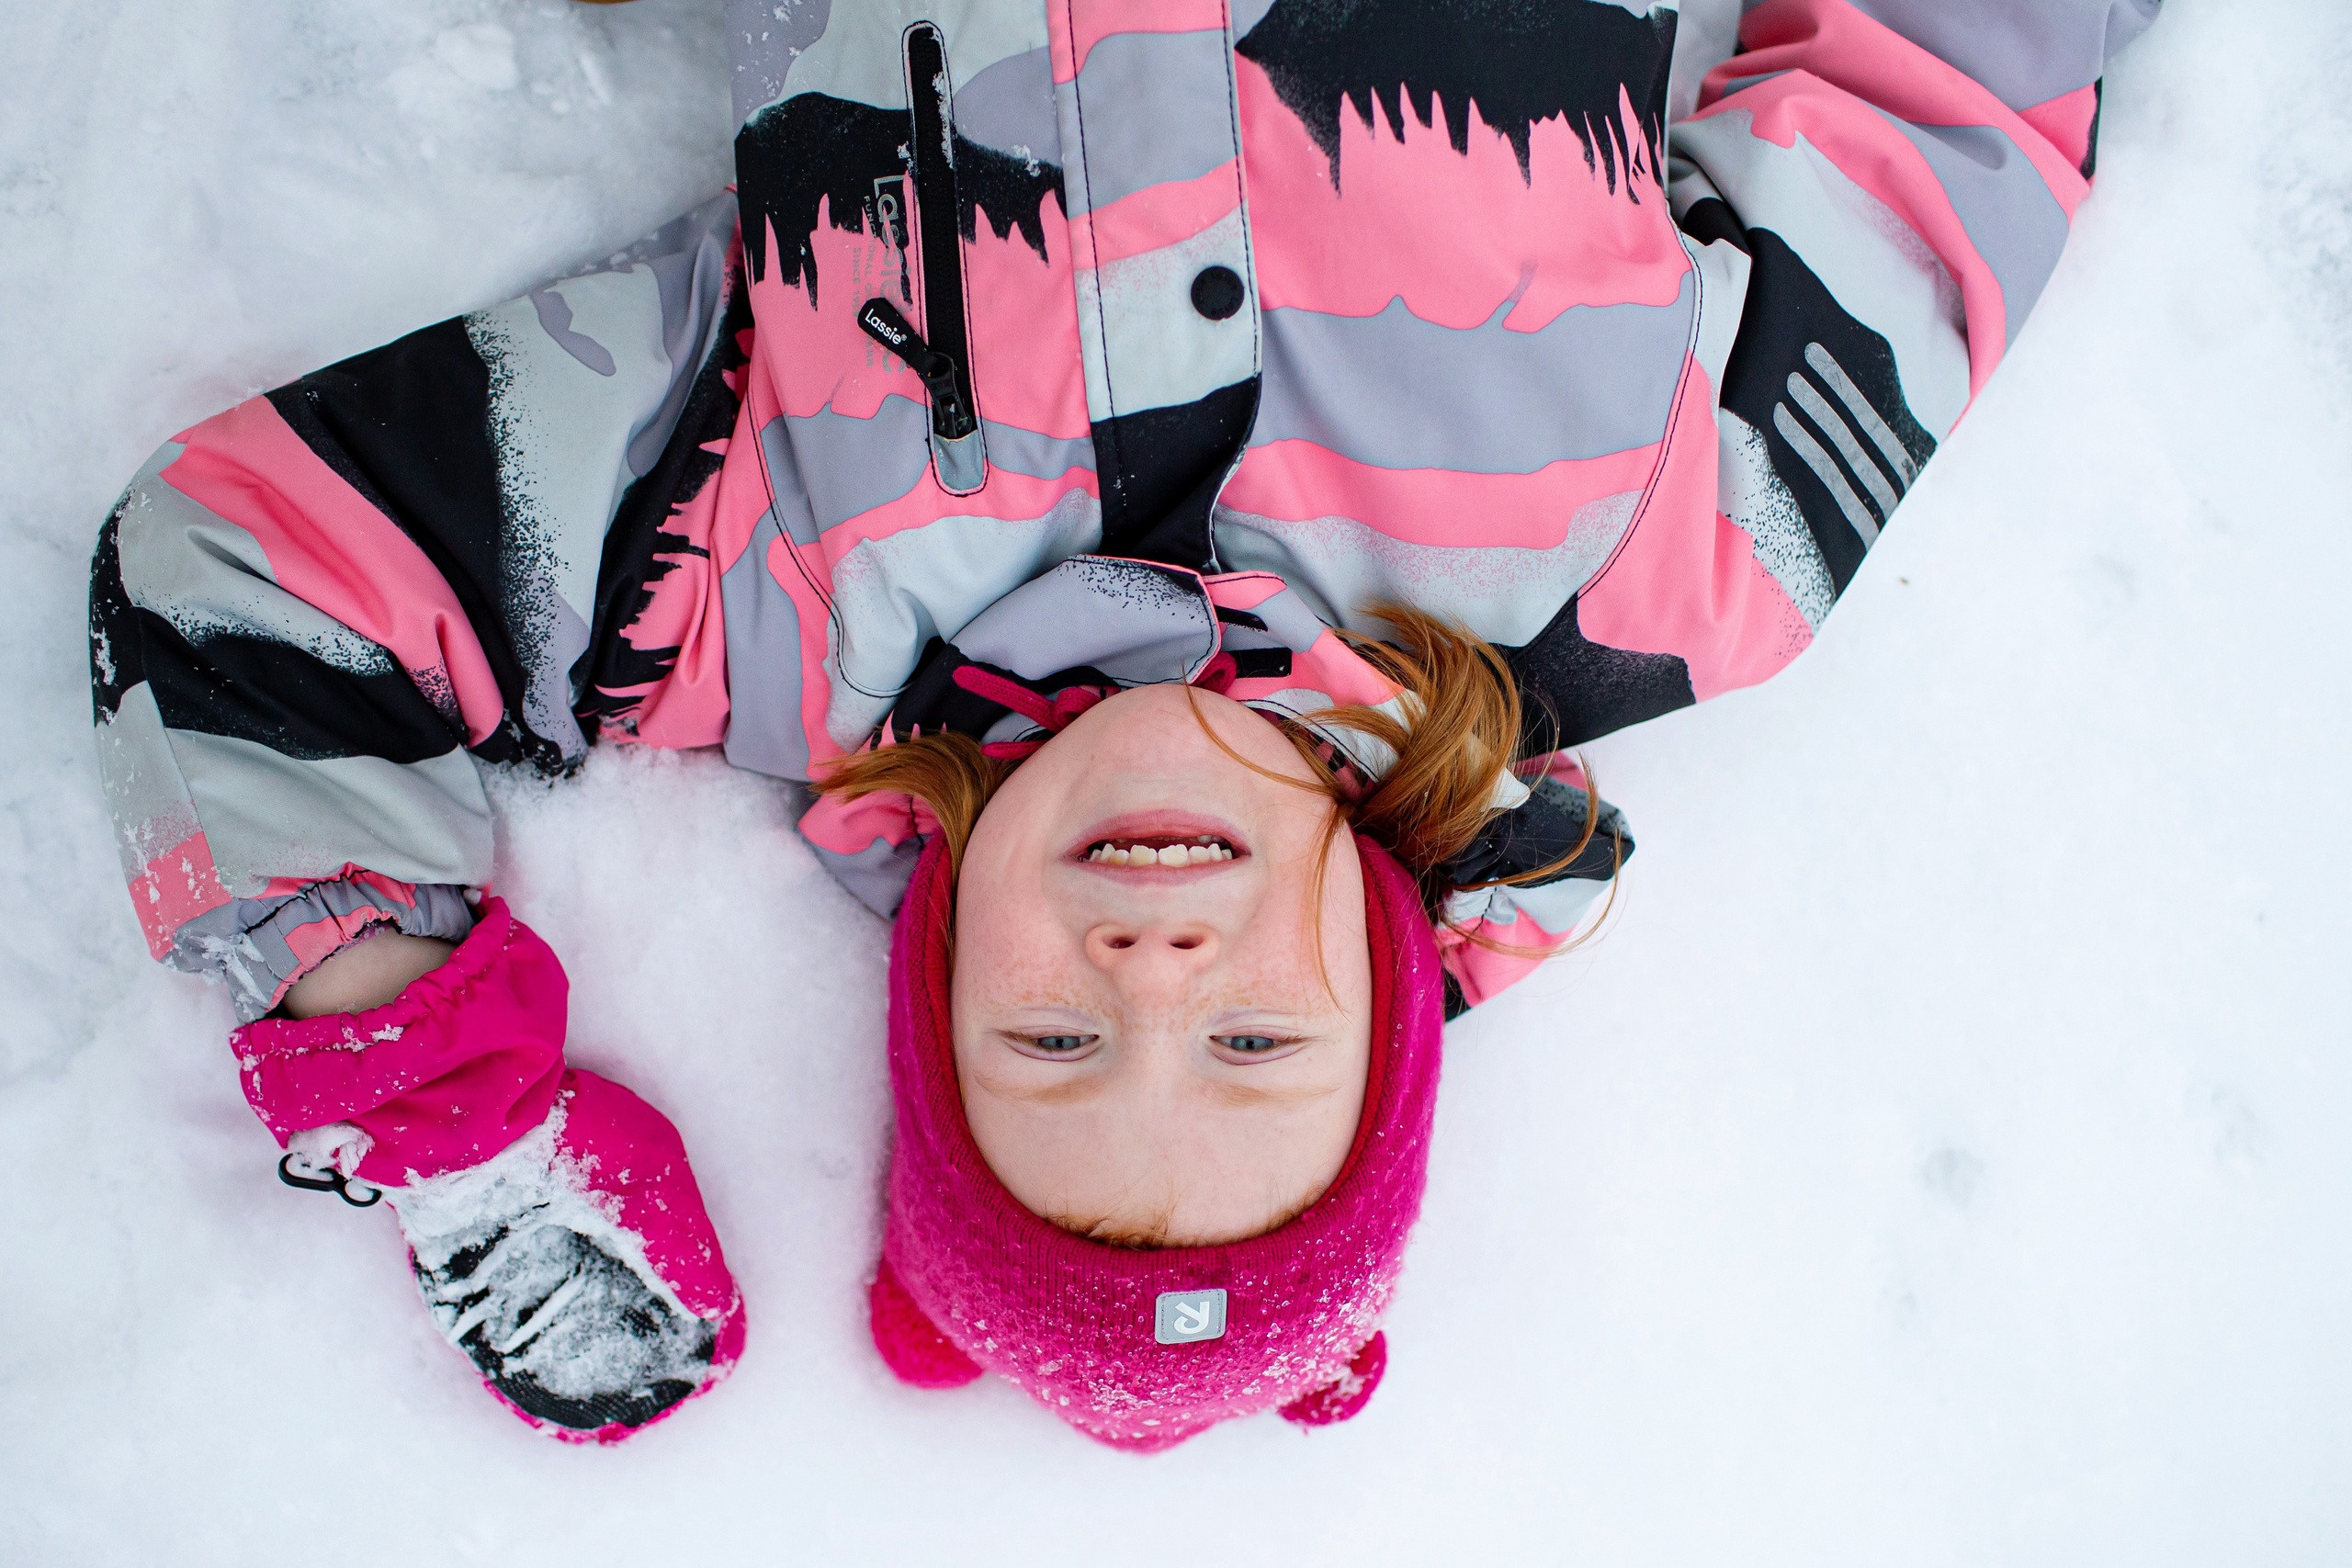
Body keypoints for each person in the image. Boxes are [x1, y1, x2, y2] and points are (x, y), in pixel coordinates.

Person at [86, 0, 2161, 1448]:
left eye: (1053, 1047)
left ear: (929, 981)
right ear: (1395, 983)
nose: (1152, 974)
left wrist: (464, 1132)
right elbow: (1953, 102)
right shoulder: (1674, 557)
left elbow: (241, 578)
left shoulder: (752, 581)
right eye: (1254, 1047)